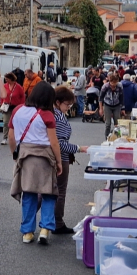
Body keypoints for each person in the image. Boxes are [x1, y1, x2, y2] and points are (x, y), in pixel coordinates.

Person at [9, 82, 62, 245]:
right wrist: (59, 161)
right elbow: (54, 142)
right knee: (49, 193)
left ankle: (27, 232)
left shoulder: (17, 110)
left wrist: (15, 155)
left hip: (25, 156)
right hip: (45, 157)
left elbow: (11, 136)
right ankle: (45, 229)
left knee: (29, 194)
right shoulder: (47, 115)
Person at [52, 86, 88, 234]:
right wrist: (80, 148)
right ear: (58, 102)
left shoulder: (50, 114)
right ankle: (57, 222)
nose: (68, 108)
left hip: (50, 157)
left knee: (44, 191)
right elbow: (60, 144)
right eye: (67, 104)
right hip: (60, 158)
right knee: (59, 191)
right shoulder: (59, 117)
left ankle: (30, 220)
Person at [0, 72, 26, 144]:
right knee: (6, 122)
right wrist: (1, 103)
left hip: (16, 107)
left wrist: (22, 106)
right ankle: (4, 138)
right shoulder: (5, 86)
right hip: (6, 106)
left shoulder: (18, 87)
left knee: (16, 123)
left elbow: (22, 96)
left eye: (7, 79)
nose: (6, 80)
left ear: (11, 79)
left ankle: (16, 137)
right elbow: (2, 94)